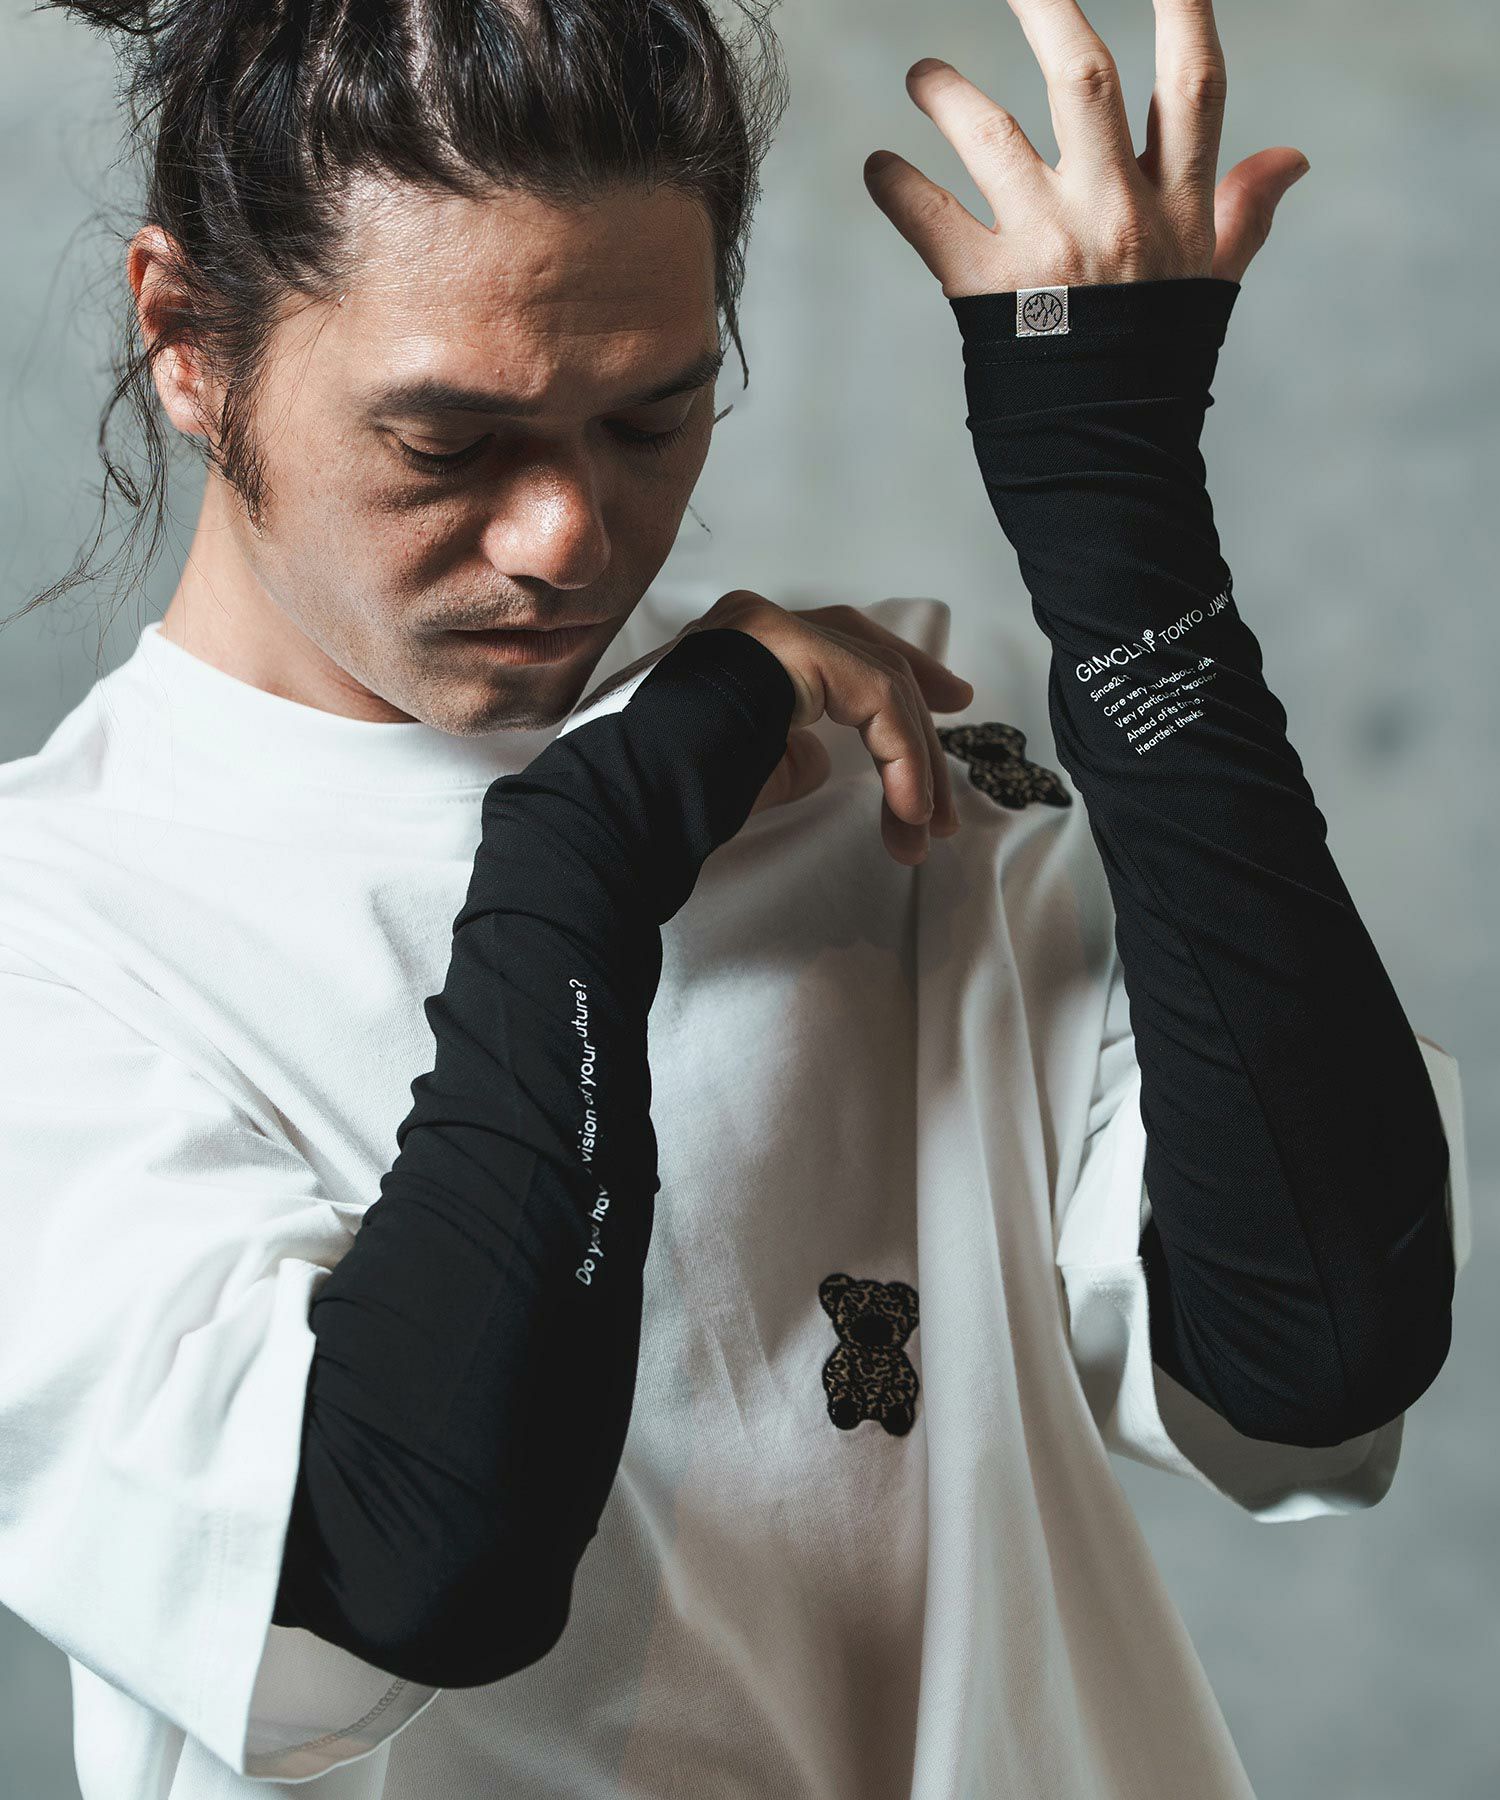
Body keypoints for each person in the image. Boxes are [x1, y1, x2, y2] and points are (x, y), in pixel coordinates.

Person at [0, 0, 1469, 1796]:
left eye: (649, 418)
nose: (565, 536)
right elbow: (412, 1566)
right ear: (183, 339)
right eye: (446, 444)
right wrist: (576, 857)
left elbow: (1317, 1340)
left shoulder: (876, 771)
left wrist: (1123, 534)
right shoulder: (53, 935)